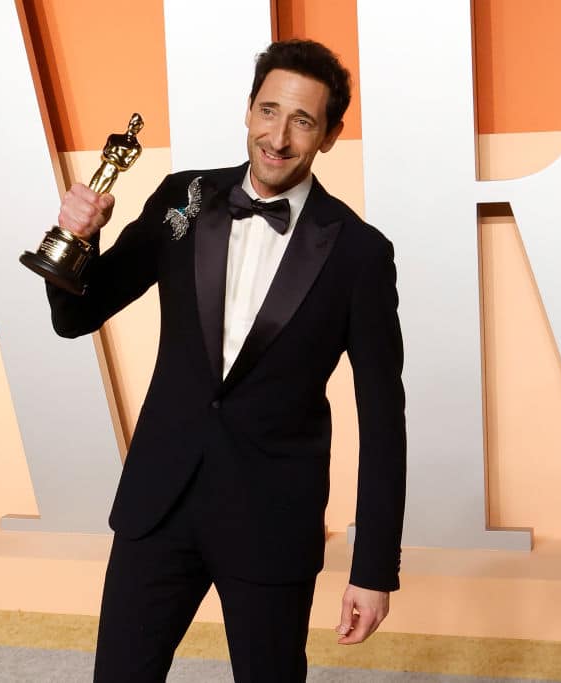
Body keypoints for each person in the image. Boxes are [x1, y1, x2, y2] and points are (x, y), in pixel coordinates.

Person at [47, 39, 406, 682]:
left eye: (303, 120)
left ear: (329, 136)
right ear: (247, 111)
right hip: (158, 504)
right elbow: (76, 316)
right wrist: (78, 238)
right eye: (269, 111)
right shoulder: (184, 198)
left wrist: (374, 569)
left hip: (272, 519)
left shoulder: (358, 253)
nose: (278, 136)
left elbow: (384, 420)